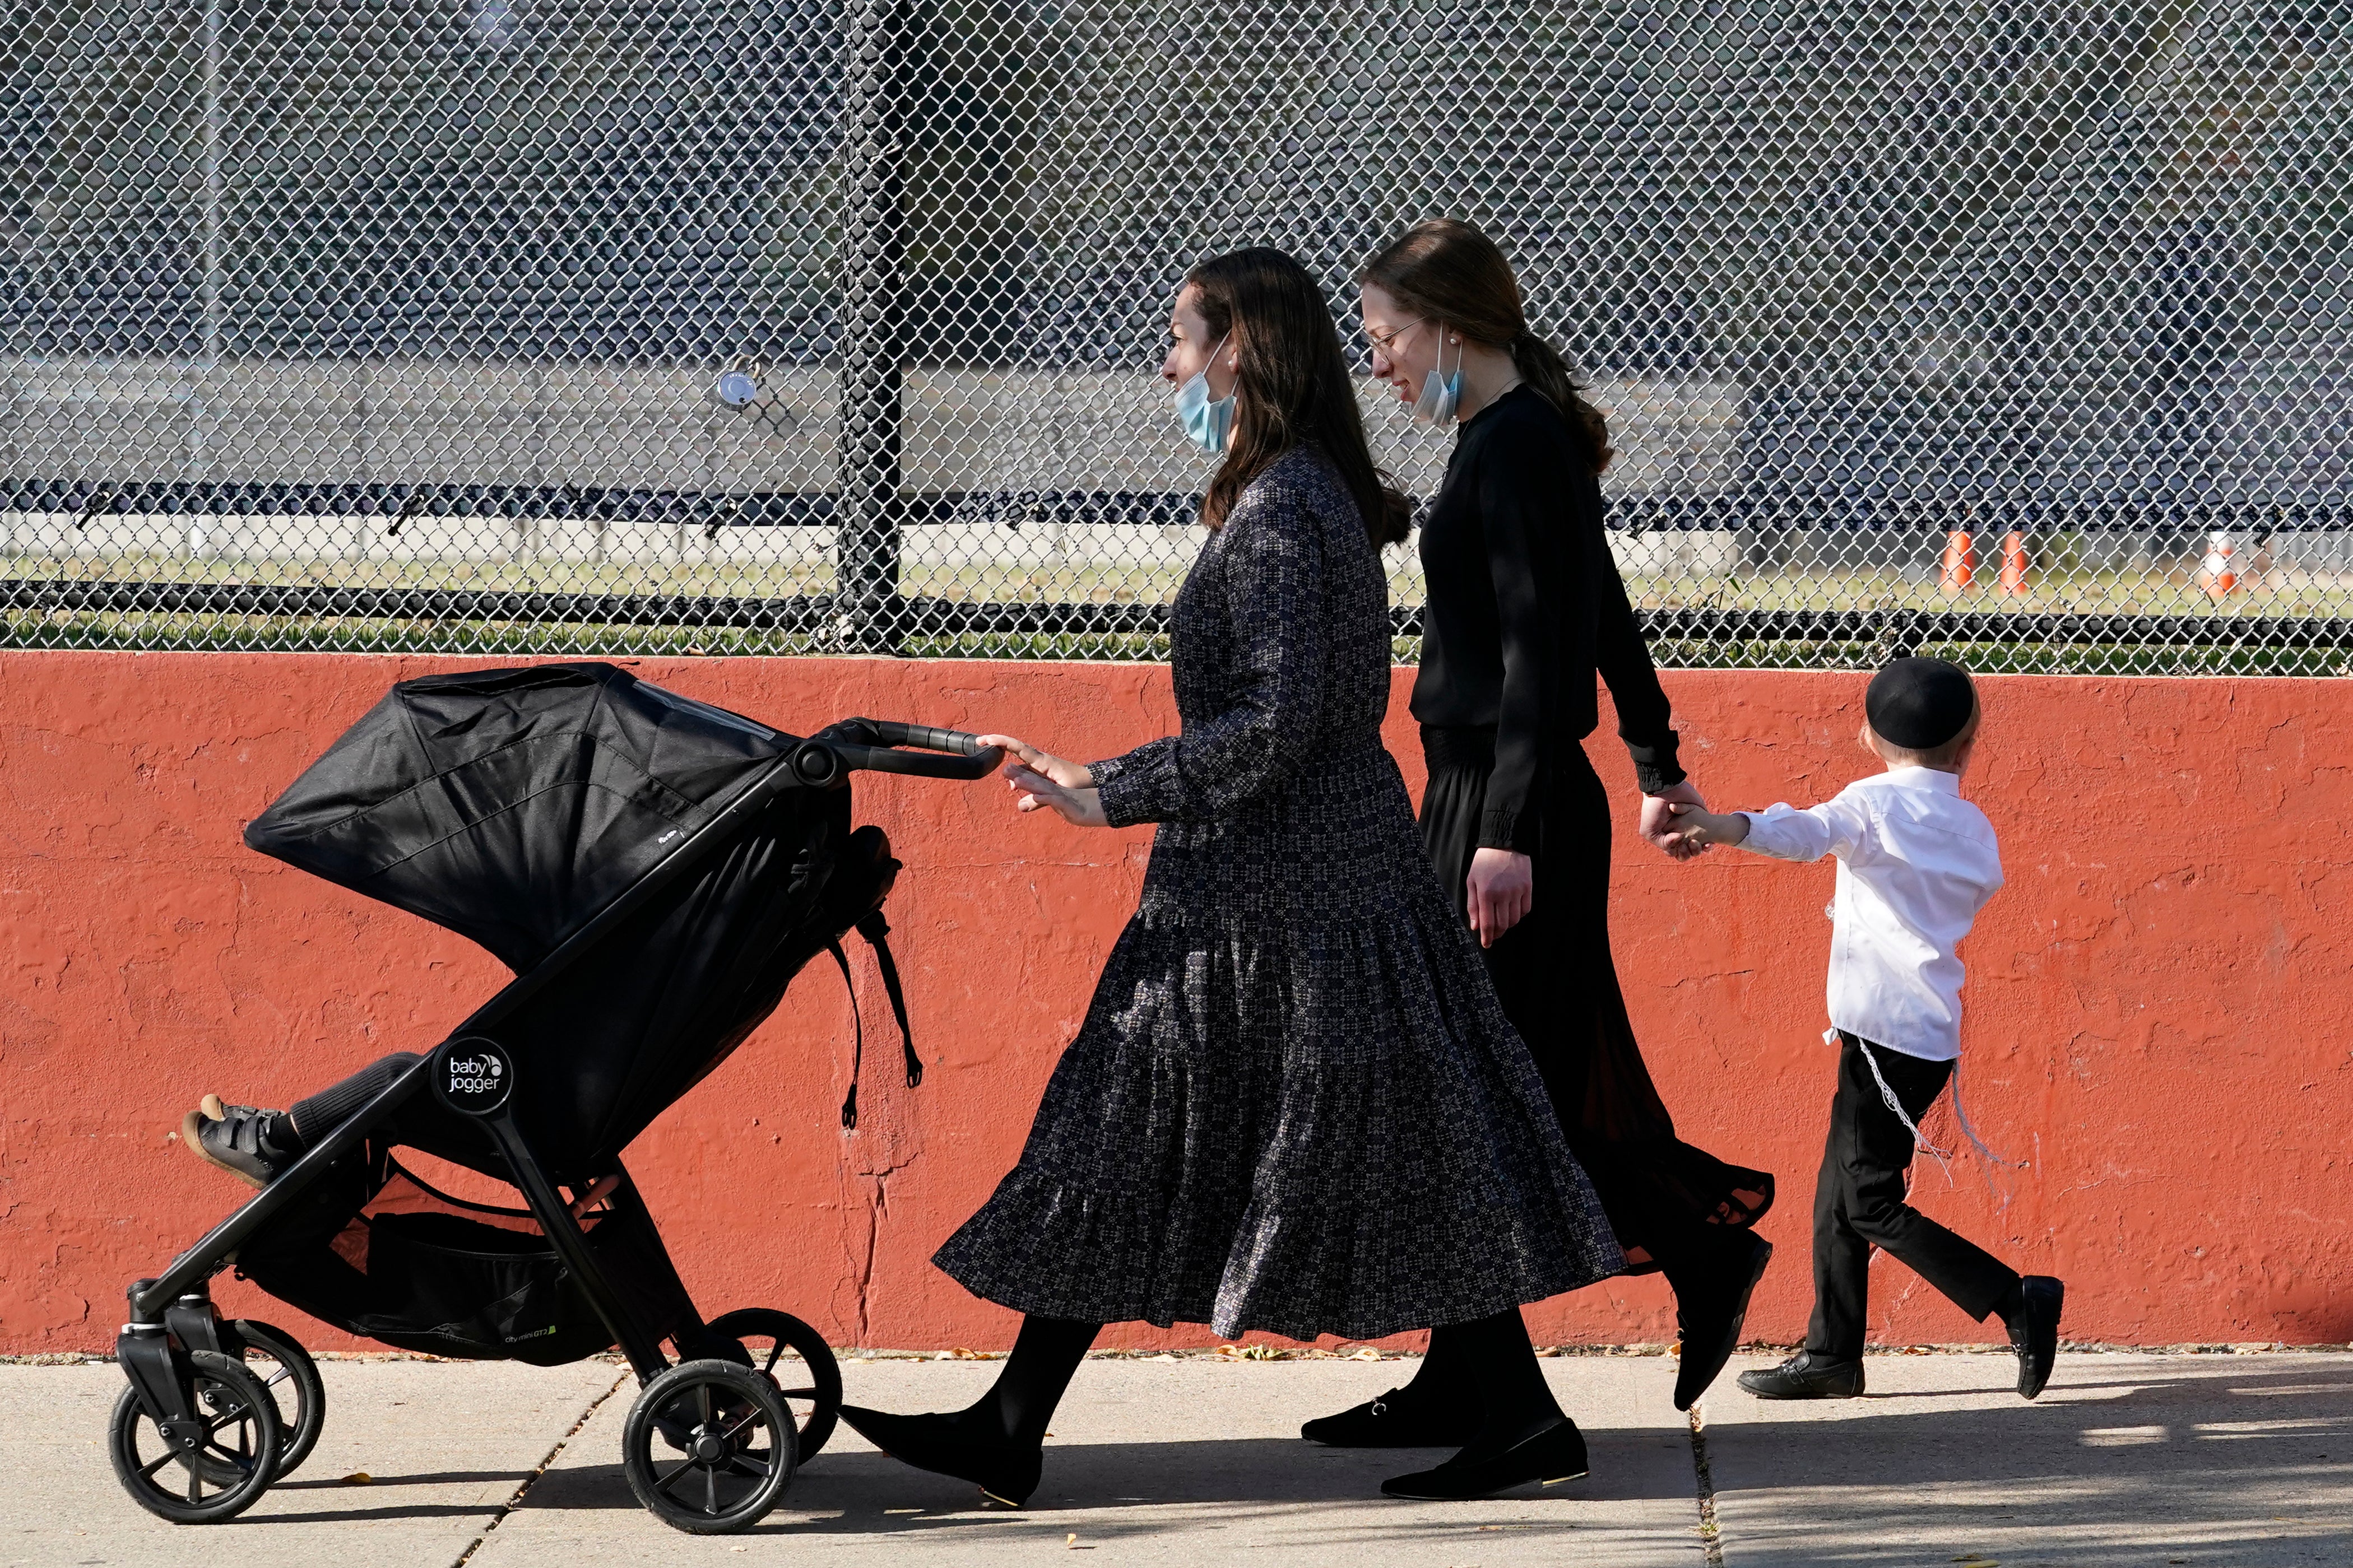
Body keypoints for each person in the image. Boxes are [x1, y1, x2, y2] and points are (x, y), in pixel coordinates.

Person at [839, 248, 1626, 1507]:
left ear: (1240, 352)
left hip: (1294, 900)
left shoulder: (1287, 513)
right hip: (1279, 889)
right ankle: (1014, 1417)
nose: (1167, 367)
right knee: (1241, 1126)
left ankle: (1013, 1420)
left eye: (1179, 340)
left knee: (1173, 1117)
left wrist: (1112, 787)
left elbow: (1286, 720)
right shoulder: (1296, 498)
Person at [1301, 219, 1776, 1449]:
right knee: (1501, 1080)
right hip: (1486, 794)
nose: (1382, 365)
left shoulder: (1514, 447)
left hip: (1502, 808)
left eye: (1389, 338)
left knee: (1469, 1086)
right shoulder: (1508, 439)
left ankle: (1687, 1254)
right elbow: (1602, 604)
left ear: (1452, 325)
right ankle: (1475, 1374)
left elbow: (1540, 648)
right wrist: (1657, 753)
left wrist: (1505, 828)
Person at [1660, 656, 2066, 1400]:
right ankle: (1832, 1355)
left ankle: (2016, 1298)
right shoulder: (1971, 827)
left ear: (1867, 738)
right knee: (1836, 1197)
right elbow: (1966, 876)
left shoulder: (1872, 808)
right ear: (1970, 742)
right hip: (1923, 1038)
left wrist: (1716, 827)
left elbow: (1804, 834)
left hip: (1881, 1038)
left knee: (1868, 1203)